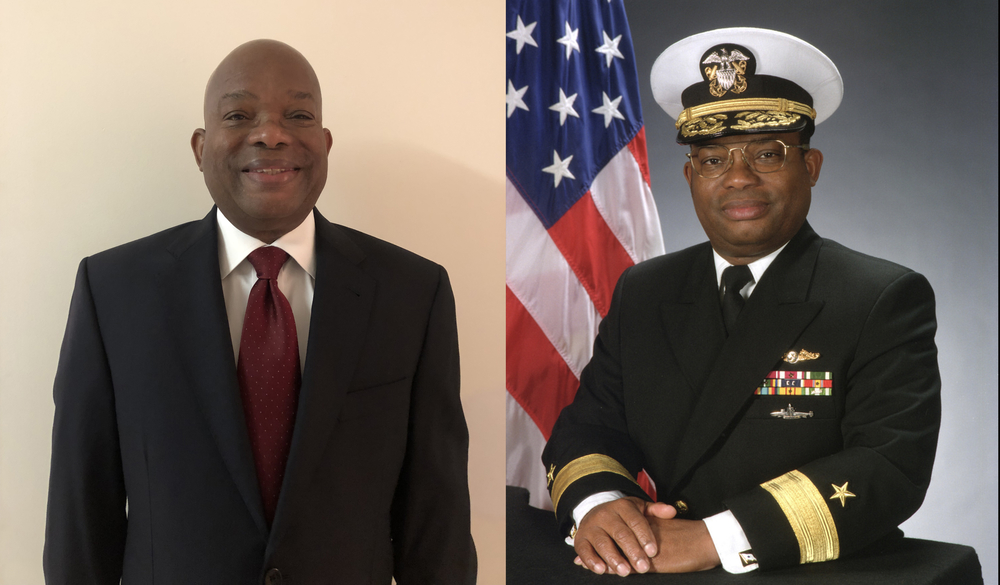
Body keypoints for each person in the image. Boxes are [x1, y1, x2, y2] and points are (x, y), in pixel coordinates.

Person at [43, 39, 476, 585]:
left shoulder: (414, 293)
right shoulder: (113, 292)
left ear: (324, 142)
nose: (271, 133)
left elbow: (436, 518)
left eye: (297, 115)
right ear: (201, 147)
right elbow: (81, 517)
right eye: (238, 114)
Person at [542, 27, 940, 576]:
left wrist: (714, 538)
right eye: (712, 160)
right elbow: (590, 427)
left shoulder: (878, 297)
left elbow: (889, 465)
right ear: (690, 175)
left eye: (767, 154)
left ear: (811, 166)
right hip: (655, 560)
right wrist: (603, 506)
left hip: (806, 569)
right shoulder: (646, 291)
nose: (737, 178)